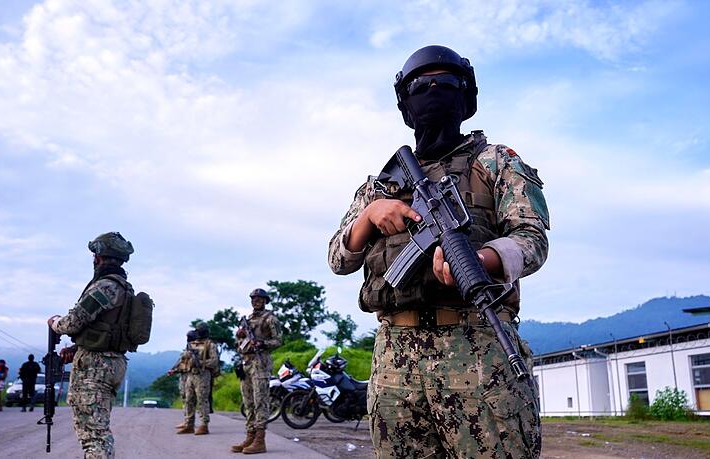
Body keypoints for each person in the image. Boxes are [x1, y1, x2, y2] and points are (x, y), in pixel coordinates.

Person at [328, 45, 550, 458]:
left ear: (464, 97)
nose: (433, 91)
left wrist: (482, 261)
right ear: (406, 103)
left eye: (445, 83)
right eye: (421, 85)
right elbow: (338, 260)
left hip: (480, 349)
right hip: (396, 358)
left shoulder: (496, 161)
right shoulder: (380, 186)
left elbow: (532, 239)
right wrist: (369, 216)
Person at [47, 232, 135, 459]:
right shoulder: (125, 288)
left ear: (98, 257)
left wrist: (55, 322)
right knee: (98, 431)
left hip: (95, 366)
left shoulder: (106, 286)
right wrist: (78, 348)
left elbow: (74, 321)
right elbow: (108, 329)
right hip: (111, 362)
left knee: (94, 436)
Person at [230, 288, 282, 454]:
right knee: (248, 402)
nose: (256, 301)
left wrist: (262, 344)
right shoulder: (248, 319)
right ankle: (250, 436)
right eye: (253, 298)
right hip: (246, 362)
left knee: (260, 400)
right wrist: (239, 336)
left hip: (260, 362)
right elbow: (239, 344)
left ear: (265, 300)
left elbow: (278, 340)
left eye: (259, 298)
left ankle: (260, 440)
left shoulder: (270, 318)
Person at [169, 323, 219, 435]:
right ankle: (189, 424)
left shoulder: (210, 345)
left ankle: (204, 425)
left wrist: (200, 363)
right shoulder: (193, 344)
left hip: (203, 375)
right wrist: (176, 369)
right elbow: (184, 361)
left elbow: (214, 361)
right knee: (189, 400)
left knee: (202, 400)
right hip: (190, 375)